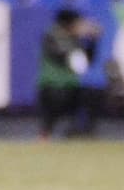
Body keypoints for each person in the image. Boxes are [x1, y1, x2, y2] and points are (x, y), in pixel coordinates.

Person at [37, 9, 102, 139]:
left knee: (93, 96)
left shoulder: (75, 39)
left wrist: (93, 41)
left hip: (71, 85)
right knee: (52, 111)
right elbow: (66, 58)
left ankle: (80, 132)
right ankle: (45, 135)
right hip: (51, 85)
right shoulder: (52, 35)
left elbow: (86, 62)